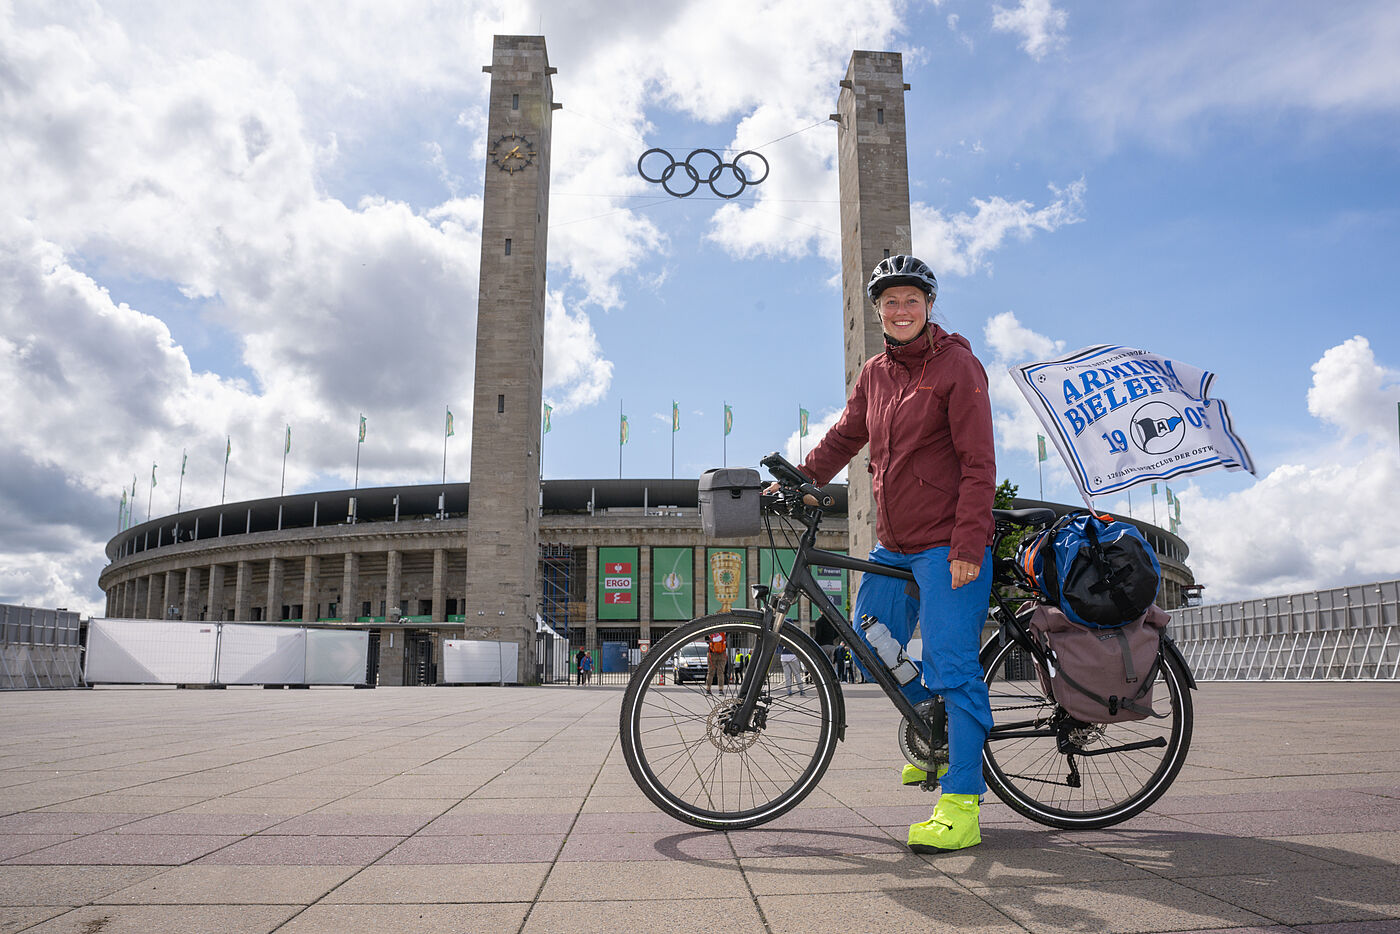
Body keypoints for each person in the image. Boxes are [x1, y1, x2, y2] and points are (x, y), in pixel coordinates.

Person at [791, 255, 996, 852]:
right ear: (878, 310)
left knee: (952, 663)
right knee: (869, 631)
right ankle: (935, 728)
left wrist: (966, 544)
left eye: (912, 299)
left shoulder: (958, 365)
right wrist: (803, 478)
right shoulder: (876, 372)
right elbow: (847, 434)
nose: (901, 310)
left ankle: (962, 803)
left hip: (947, 544)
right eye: (891, 301)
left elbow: (980, 463)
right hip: (896, 541)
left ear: (929, 306)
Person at [705, 630, 727, 695]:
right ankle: (721, 690)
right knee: (720, 672)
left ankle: (708, 689)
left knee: (710, 672)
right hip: (722, 652)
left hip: (712, 653)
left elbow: (707, 640)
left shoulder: (711, 630)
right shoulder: (723, 631)